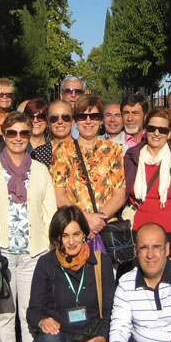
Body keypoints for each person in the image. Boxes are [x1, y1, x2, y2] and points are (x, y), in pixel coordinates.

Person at [0, 112, 57, 342]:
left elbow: (49, 211)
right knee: (2, 314)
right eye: (12, 133)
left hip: (33, 252)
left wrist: (50, 249)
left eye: (23, 134)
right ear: (3, 134)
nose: (17, 139)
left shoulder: (39, 170)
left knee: (30, 315)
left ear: (29, 136)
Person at [27, 207, 116, 342]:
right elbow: (33, 311)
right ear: (57, 238)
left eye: (76, 234)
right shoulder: (46, 264)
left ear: (85, 233)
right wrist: (43, 321)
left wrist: (102, 338)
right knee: (49, 340)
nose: (71, 241)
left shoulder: (100, 263)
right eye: (65, 235)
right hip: (59, 337)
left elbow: (111, 312)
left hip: (89, 339)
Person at [51, 94, 126, 238]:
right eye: (82, 116)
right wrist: (86, 219)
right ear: (75, 120)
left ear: (101, 119)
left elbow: (119, 194)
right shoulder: (62, 151)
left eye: (94, 116)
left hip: (106, 227)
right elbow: (59, 195)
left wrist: (98, 220)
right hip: (74, 228)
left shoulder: (114, 150)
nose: (88, 121)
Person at [124, 107, 171, 262]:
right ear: (145, 130)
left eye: (162, 130)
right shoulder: (131, 158)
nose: (156, 133)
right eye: (152, 128)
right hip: (137, 233)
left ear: (169, 133)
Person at [31, 99, 73, 168]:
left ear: (72, 121)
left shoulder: (83, 150)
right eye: (54, 118)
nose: (60, 122)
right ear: (49, 122)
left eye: (65, 117)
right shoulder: (38, 154)